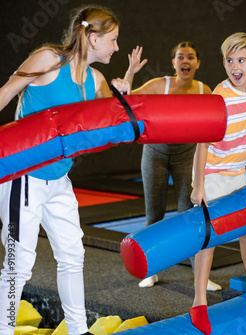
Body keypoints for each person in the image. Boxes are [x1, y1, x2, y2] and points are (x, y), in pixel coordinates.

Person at [0, 6, 130, 335]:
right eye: (112, 40)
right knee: (18, 267)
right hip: (24, 178)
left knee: (73, 254)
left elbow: (119, 115)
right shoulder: (48, 60)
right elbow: (5, 93)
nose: (116, 47)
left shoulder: (96, 79)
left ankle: (77, 330)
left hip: (59, 179)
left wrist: (122, 92)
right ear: (93, 37)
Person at [189, 32, 246, 335]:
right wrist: (199, 185)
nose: (235, 66)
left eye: (241, 60)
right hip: (212, 172)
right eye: (230, 60)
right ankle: (199, 301)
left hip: (237, 171)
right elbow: (202, 143)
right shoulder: (220, 96)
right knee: (209, 238)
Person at [124, 42, 221, 291]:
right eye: (180, 57)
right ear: (173, 63)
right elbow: (127, 98)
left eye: (190, 57)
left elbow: (211, 126)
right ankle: (151, 270)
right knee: (153, 215)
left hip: (186, 157)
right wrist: (131, 70)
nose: (185, 61)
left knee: (188, 216)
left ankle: (200, 276)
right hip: (154, 155)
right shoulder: (161, 85)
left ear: (198, 63)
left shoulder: (204, 90)